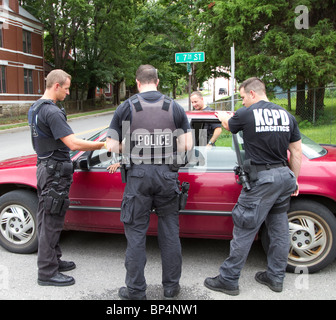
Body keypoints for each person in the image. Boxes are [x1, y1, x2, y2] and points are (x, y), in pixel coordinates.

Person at [204, 77, 302, 295]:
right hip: (284, 177)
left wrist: (221, 116)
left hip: (262, 180)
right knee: (278, 228)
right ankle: (275, 277)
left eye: (243, 98)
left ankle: (229, 279)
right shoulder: (287, 115)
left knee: (245, 226)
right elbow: (296, 152)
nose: (242, 102)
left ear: (253, 94)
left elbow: (229, 125)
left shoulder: (247, 113)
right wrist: (294, 179)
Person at [106, 65, 193, 300]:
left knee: (135, 234)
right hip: (167, 176)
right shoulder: (174, 106)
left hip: (138, 176)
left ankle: (135, 291)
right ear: (157, 80)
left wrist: (132, 147)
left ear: (137, 82)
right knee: (170, 234)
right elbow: (187, 146)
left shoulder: (126, 107)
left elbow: (111, 147)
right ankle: (171, 287)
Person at [28, 69, 105, 287]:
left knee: (46, 217)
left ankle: (53, 259)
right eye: (67, 88)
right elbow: (73, 143)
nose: (68, 93)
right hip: (54, 173)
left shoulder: (35, 108)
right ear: (56, 86)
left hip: (44, 167)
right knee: (52, 221)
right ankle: (47, 272)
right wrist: (104, 144)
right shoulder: (51, 111)